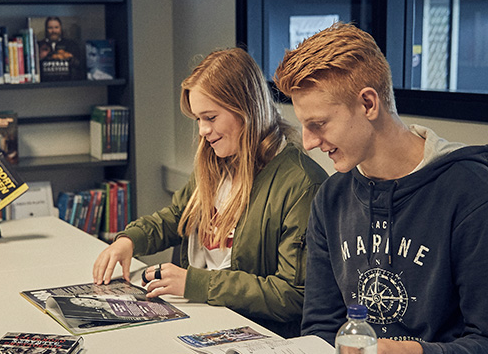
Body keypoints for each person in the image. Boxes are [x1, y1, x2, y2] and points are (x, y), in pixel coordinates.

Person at [274, 22, 488, 354]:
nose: (310, 143)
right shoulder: (331, 199)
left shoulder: (474, 196)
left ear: (368, 103)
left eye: (319, 124)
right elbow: (319, 327)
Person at [92, 48, 328, 338]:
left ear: (246, 109)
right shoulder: (217, 158)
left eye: (211, 117)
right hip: (194, 317)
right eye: (198, 119)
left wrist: (195, 283)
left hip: (252, 336)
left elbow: (291, 296)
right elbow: (179, 215)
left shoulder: (302, 184)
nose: (203, 130)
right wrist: (130, 240)